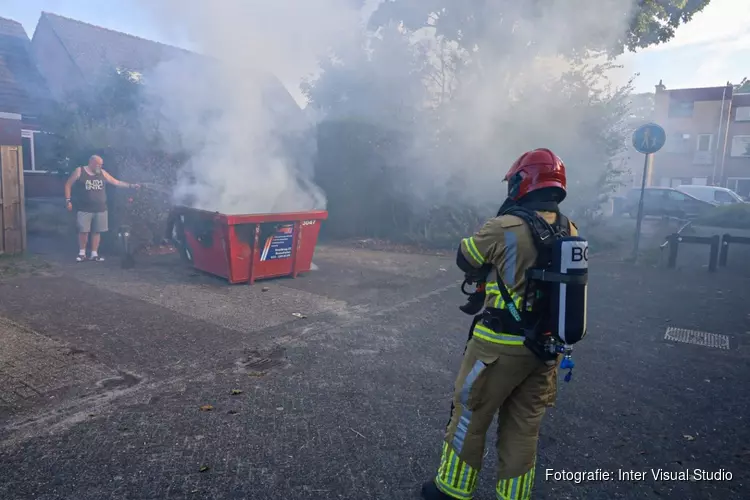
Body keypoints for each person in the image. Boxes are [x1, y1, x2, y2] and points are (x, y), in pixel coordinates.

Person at [421, 148, 579, 500]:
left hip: (498, 348)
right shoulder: (570, 228)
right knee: (523, 429)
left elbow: (466, 256)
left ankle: (450, 490)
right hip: (545, 349)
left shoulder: (505, 226)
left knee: (470, 417)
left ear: (523, 182)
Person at [64, 155, 139, 262]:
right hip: (84, 208)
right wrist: (68, 200)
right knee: (83, 231)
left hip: (100, 208)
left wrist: (131, 186)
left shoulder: (102, 173)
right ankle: (82, 253)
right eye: (97, 164)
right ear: (91, 162)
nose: (99, 166)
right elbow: (68, 184)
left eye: (101, 164)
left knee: (97, 231)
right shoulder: (80, 171)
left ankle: (94, 254)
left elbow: (116, 182)